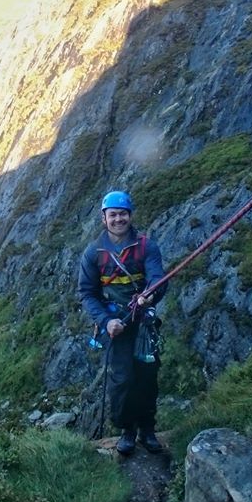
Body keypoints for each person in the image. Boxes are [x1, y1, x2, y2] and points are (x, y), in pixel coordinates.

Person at [77, 190, 168, 455]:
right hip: (115, 323)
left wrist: (150, 295)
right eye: (113, 215)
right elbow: (87, 293)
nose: (118, 219)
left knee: (147, 378)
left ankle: (147, 430)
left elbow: (158, 278)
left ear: (130, 216)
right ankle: (127, 430)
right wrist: (106, 322)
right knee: (121, 380)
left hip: (142, 322)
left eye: (123, 214)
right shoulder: (94, 253)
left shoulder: (146, 247)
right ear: (104, 218)